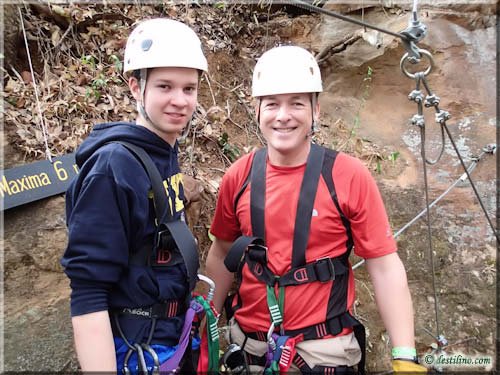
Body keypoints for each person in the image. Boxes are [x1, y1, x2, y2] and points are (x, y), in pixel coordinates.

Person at [205, 45, 427, 374]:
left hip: (323, 352)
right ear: (257, 110)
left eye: (296, 103)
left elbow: (384, 266)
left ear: (316, 110)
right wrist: (201, 331)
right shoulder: (239, 175)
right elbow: (222, 254)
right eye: (272, 104)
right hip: (250, 349)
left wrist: (405, 354)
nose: (283, 115)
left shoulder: (348, 176)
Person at [61, 18, 207, 374]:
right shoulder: (113, 168)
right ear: (134, 87)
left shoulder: (160, 153)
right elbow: (88, 292)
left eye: (189, 89)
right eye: (164, 86)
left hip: (171, 338)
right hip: (136, 351)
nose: (179, 101)